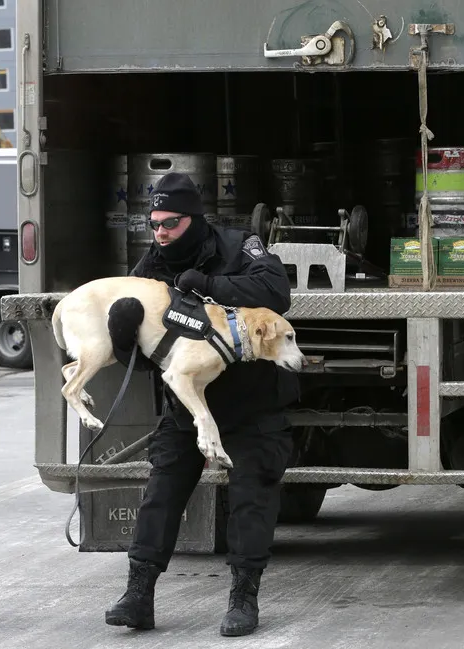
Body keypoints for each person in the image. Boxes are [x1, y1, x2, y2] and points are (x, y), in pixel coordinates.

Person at [103, 172, 299, 637]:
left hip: (252, 401)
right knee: (162, 490)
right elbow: (149, 359)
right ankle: (138, 594)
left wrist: (210, 284)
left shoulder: (238, 245)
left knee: (251, 495)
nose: (160, 233)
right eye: (153, 224)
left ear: (193, 218)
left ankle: (243, 597)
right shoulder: (148, 271)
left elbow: (277, 294)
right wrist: (122, 338)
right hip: (191, 404)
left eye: (169, 223)